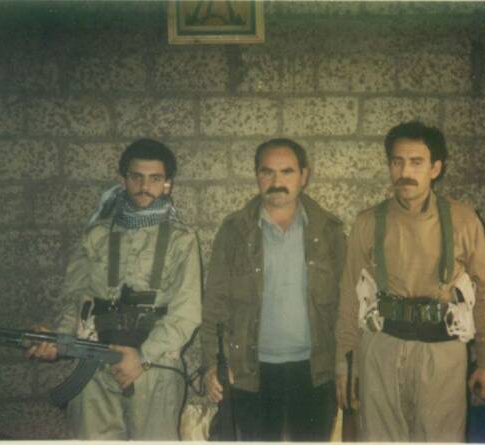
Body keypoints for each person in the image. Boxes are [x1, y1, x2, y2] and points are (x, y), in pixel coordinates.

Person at [335, 121, 485, 442]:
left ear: (435, 168)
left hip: (442, 351)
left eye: (416, 162)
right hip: (381, 347)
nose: (405, 172)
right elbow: (349, 296)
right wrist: (345, 363)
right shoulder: (368, 222)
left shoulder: (463, 219)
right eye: (397, 162)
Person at [27, 139, 202, 440]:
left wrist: (142, 357)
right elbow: (75, 299)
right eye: (136, 177)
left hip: (155, 366)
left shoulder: (181, 240)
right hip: (94, 361)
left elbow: (187, 312)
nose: (144, 186)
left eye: (155, 178)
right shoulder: (95, 235)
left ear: (168, 184)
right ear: (123, 180)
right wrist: (57, 339)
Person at [201, 138, 346, 441]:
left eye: (287, 171)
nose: (277, 181)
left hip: (314, 371)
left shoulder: (329, 231)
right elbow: (215, 302)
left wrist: (344, 365)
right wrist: (212, 363)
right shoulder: (234, 231)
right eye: (267, 172)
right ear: (257, 175)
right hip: (250, 371)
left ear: (304, 176)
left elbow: (346, 306)